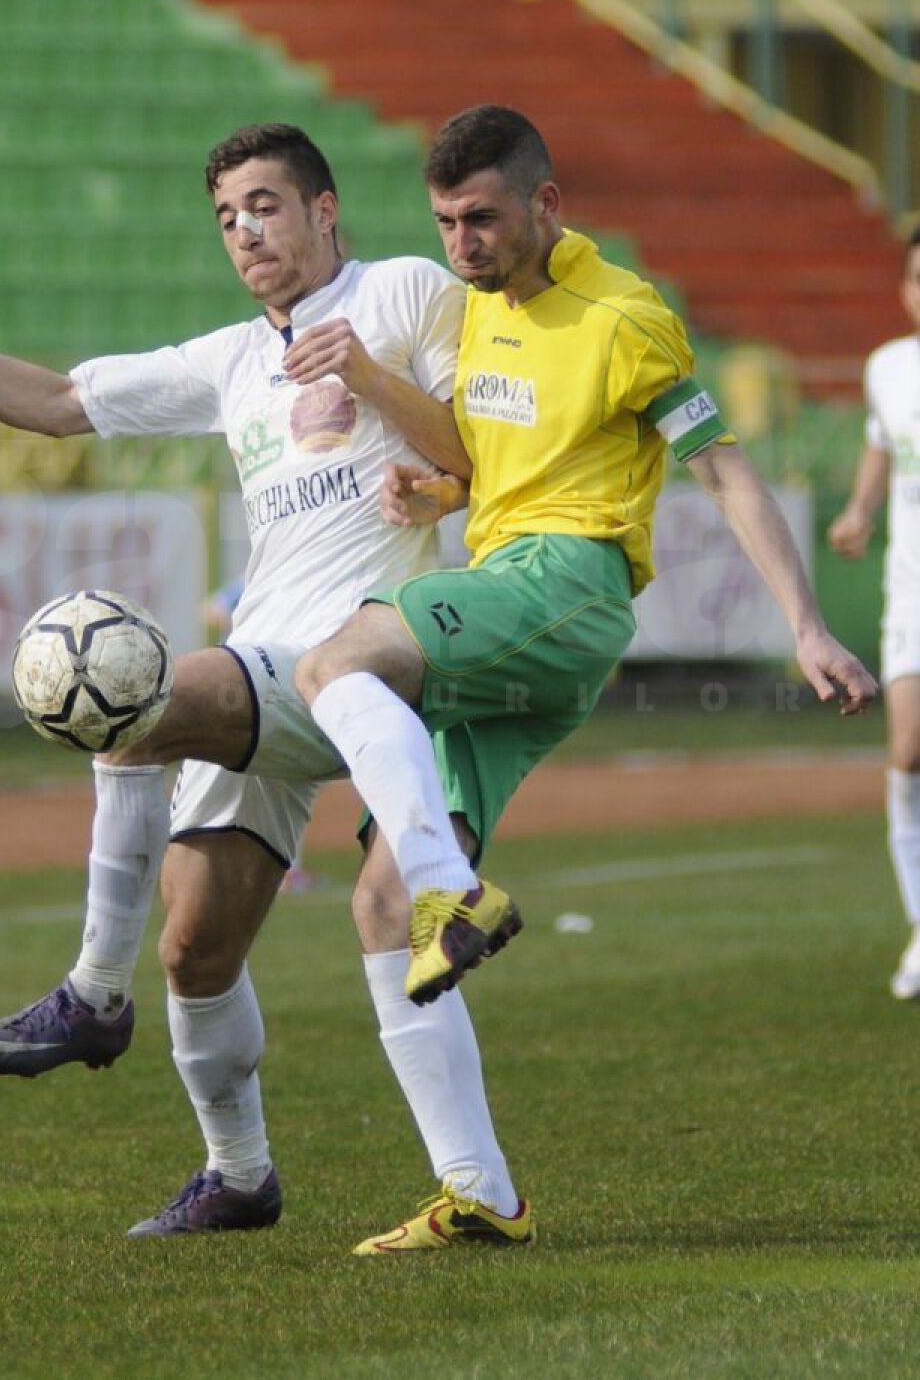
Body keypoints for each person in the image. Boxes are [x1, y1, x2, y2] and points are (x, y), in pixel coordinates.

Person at [0, 123, 530, 1254]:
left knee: (131, 696)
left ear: (325, 210)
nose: (244, 232)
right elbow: (60, 401)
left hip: (362, 660)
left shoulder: (402, 292)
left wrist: (369, 382)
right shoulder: (231, 361)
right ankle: (238, 1174)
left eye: (265, 205)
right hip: (265, 674)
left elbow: (470, 451)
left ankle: (91, 993)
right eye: (225, 218)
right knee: (196, 953)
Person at [293, 102, 878, 1246]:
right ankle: (481, 1194)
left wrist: (807, 625)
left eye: (481, 218)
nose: (461, 243)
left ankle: (459, 892)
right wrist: (438, 492)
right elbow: (496, 467)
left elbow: (725, 471)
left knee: (338, 657)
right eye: (445, 222)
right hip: (511, 593)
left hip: (567, 585)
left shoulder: (625, 316)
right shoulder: (478, 311)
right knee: (380, 904)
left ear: (545, 204)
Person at [828, 224, 920, 1000]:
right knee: (909, 749)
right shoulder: (887, 366)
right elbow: (881, 443)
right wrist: (860, 509)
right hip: (911, 589)